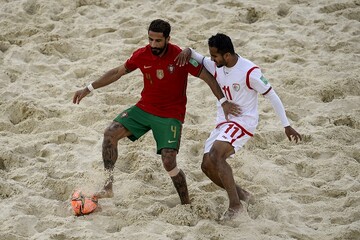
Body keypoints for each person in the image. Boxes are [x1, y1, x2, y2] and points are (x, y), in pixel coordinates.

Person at [72, 20, 240, 205]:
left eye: (158, 41)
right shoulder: (142, 54)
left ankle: (185, 203)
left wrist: (223, 101)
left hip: (170, 116)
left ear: (168, 39)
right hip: (144, 109)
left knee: (168, 162)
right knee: (109, 134)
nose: (153, 45)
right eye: (150, 40)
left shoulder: (180, 57)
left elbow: (207, 77)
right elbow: (117, 72)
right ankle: (108, 186)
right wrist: (88, 88)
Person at [175, 33, 302, 219]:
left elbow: (272, 96)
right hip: (223, 122)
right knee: (206, 165)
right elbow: (198, 57)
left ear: (227, 55)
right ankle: (243, 195)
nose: (212, 60)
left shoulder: (250, 71)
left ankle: (235, 205)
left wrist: (287, 125)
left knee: (216, 155)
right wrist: (188, 50)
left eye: (215, 56)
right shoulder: (217, 64)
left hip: (243, 122)